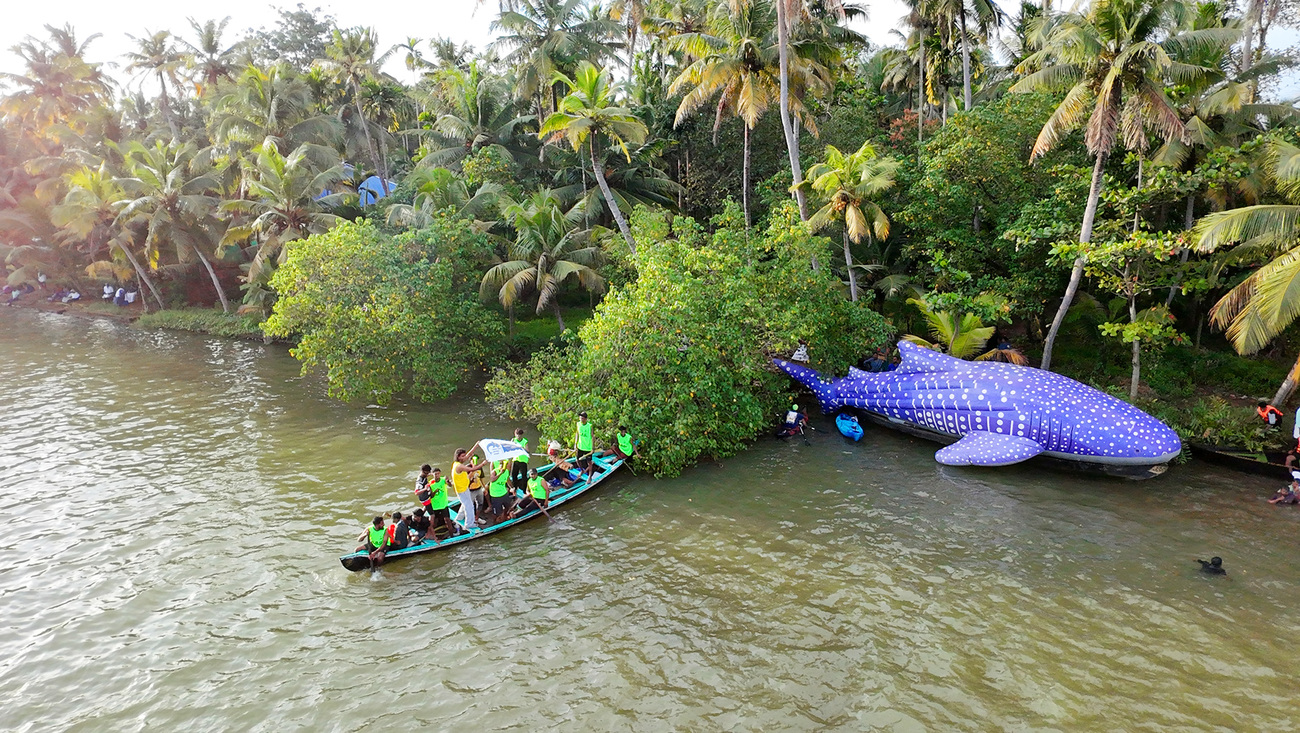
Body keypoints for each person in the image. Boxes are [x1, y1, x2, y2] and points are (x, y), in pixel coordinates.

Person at [452, 447, 487, 529]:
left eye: (465, 456)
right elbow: (473, 469)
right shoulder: (459, 466)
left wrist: (476, 446)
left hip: (464, 488)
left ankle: (459, 518)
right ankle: (469, 524)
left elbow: (468, 455)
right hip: (462, 490)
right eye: (462, 456)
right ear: (458, 457)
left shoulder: (456, 463)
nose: (465, 457)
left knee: (466, 505)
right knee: (469, 507)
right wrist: (483, 464)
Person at [510, 428, 530, 492]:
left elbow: (528, 451)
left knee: (524, 476)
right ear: (515, 434)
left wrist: (521, 448)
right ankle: (515, 488)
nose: (518, 436)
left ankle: (524, 489)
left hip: (523, 460)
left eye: (519, 435)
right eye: (517, 434)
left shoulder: (524, 441)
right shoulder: (513, 440)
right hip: (515, 459)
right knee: (513, 475)